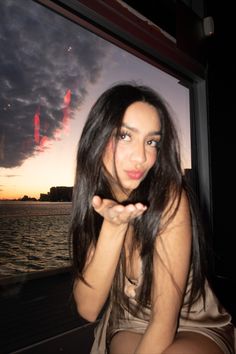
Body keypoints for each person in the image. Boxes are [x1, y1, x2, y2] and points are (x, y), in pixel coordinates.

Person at [70, 82, 235, 354]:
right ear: (97, 137)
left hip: (192, 324)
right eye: (125, 136)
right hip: (129, 323)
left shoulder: (168, 199)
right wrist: (114, 226)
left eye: (151, 142)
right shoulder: (98, 205)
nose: (141, 157)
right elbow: (88, 308)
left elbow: (163, 322)